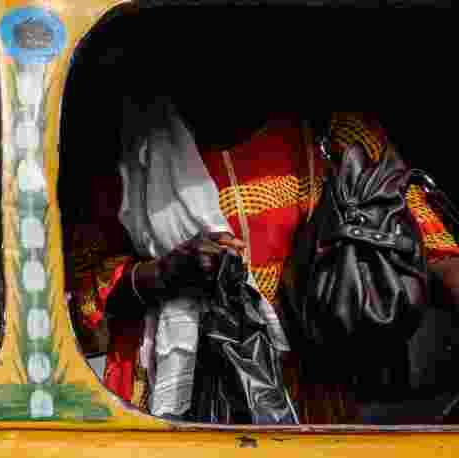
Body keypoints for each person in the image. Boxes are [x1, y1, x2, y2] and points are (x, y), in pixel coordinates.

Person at [67, 97, 459, 424]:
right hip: (170, 393)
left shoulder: (337, 133)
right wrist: (165, 273)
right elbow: (79, 294)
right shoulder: (133, 143)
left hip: (305, 392)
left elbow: (433, 249)